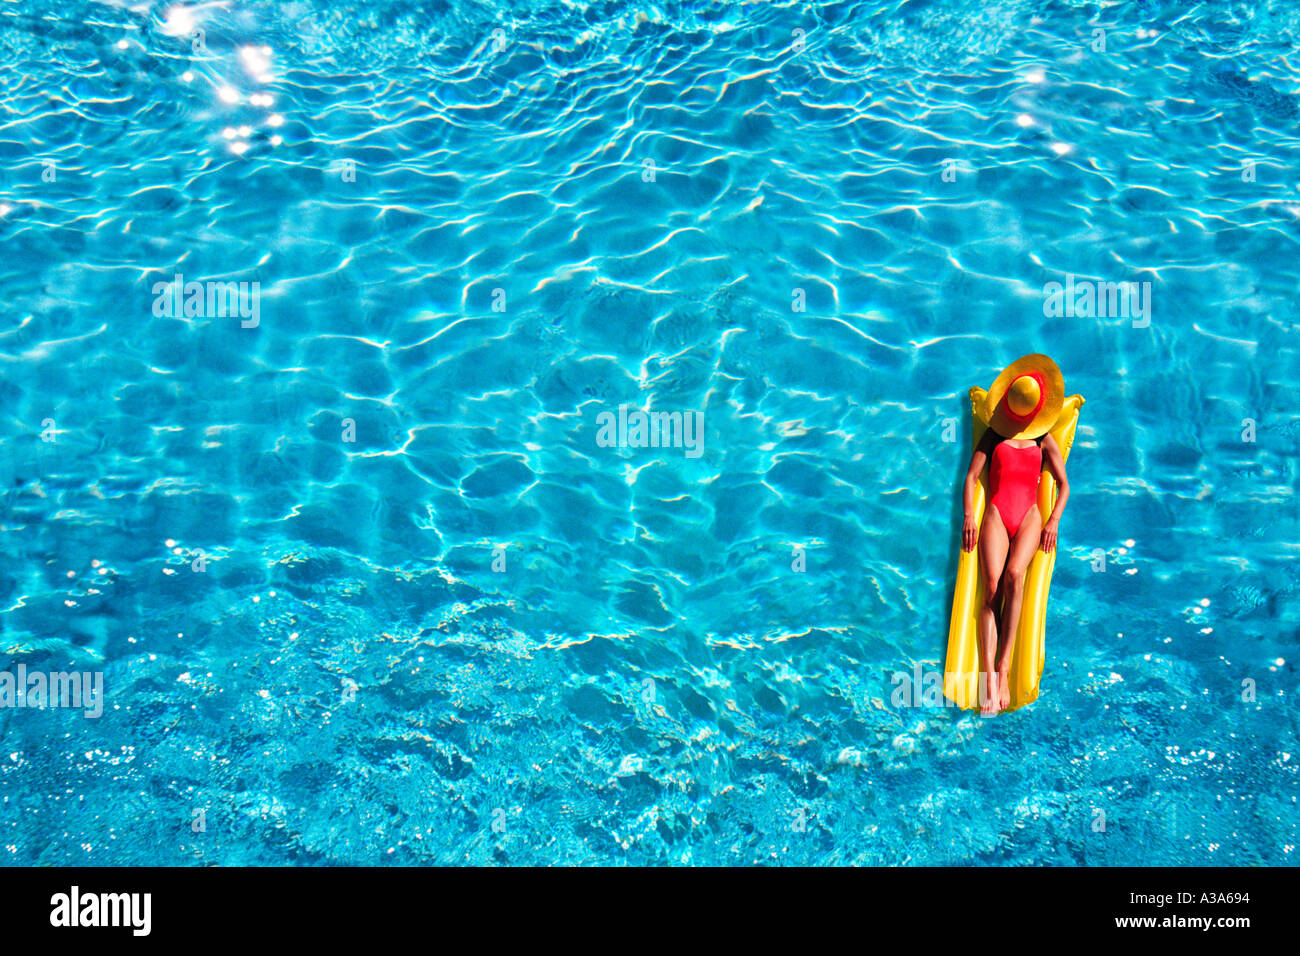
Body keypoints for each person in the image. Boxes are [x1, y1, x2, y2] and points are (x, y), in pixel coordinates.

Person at [960, 355, 1070, 714]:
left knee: (1015, 576)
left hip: (1030, 518)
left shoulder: (1044, 438)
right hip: (995, 513)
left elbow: (1065, 485)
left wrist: (1053, 519)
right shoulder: (994, 434)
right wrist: (968, 517)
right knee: (991, 588)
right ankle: (988, 676)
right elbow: (971, 477)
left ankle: (1003, 667)